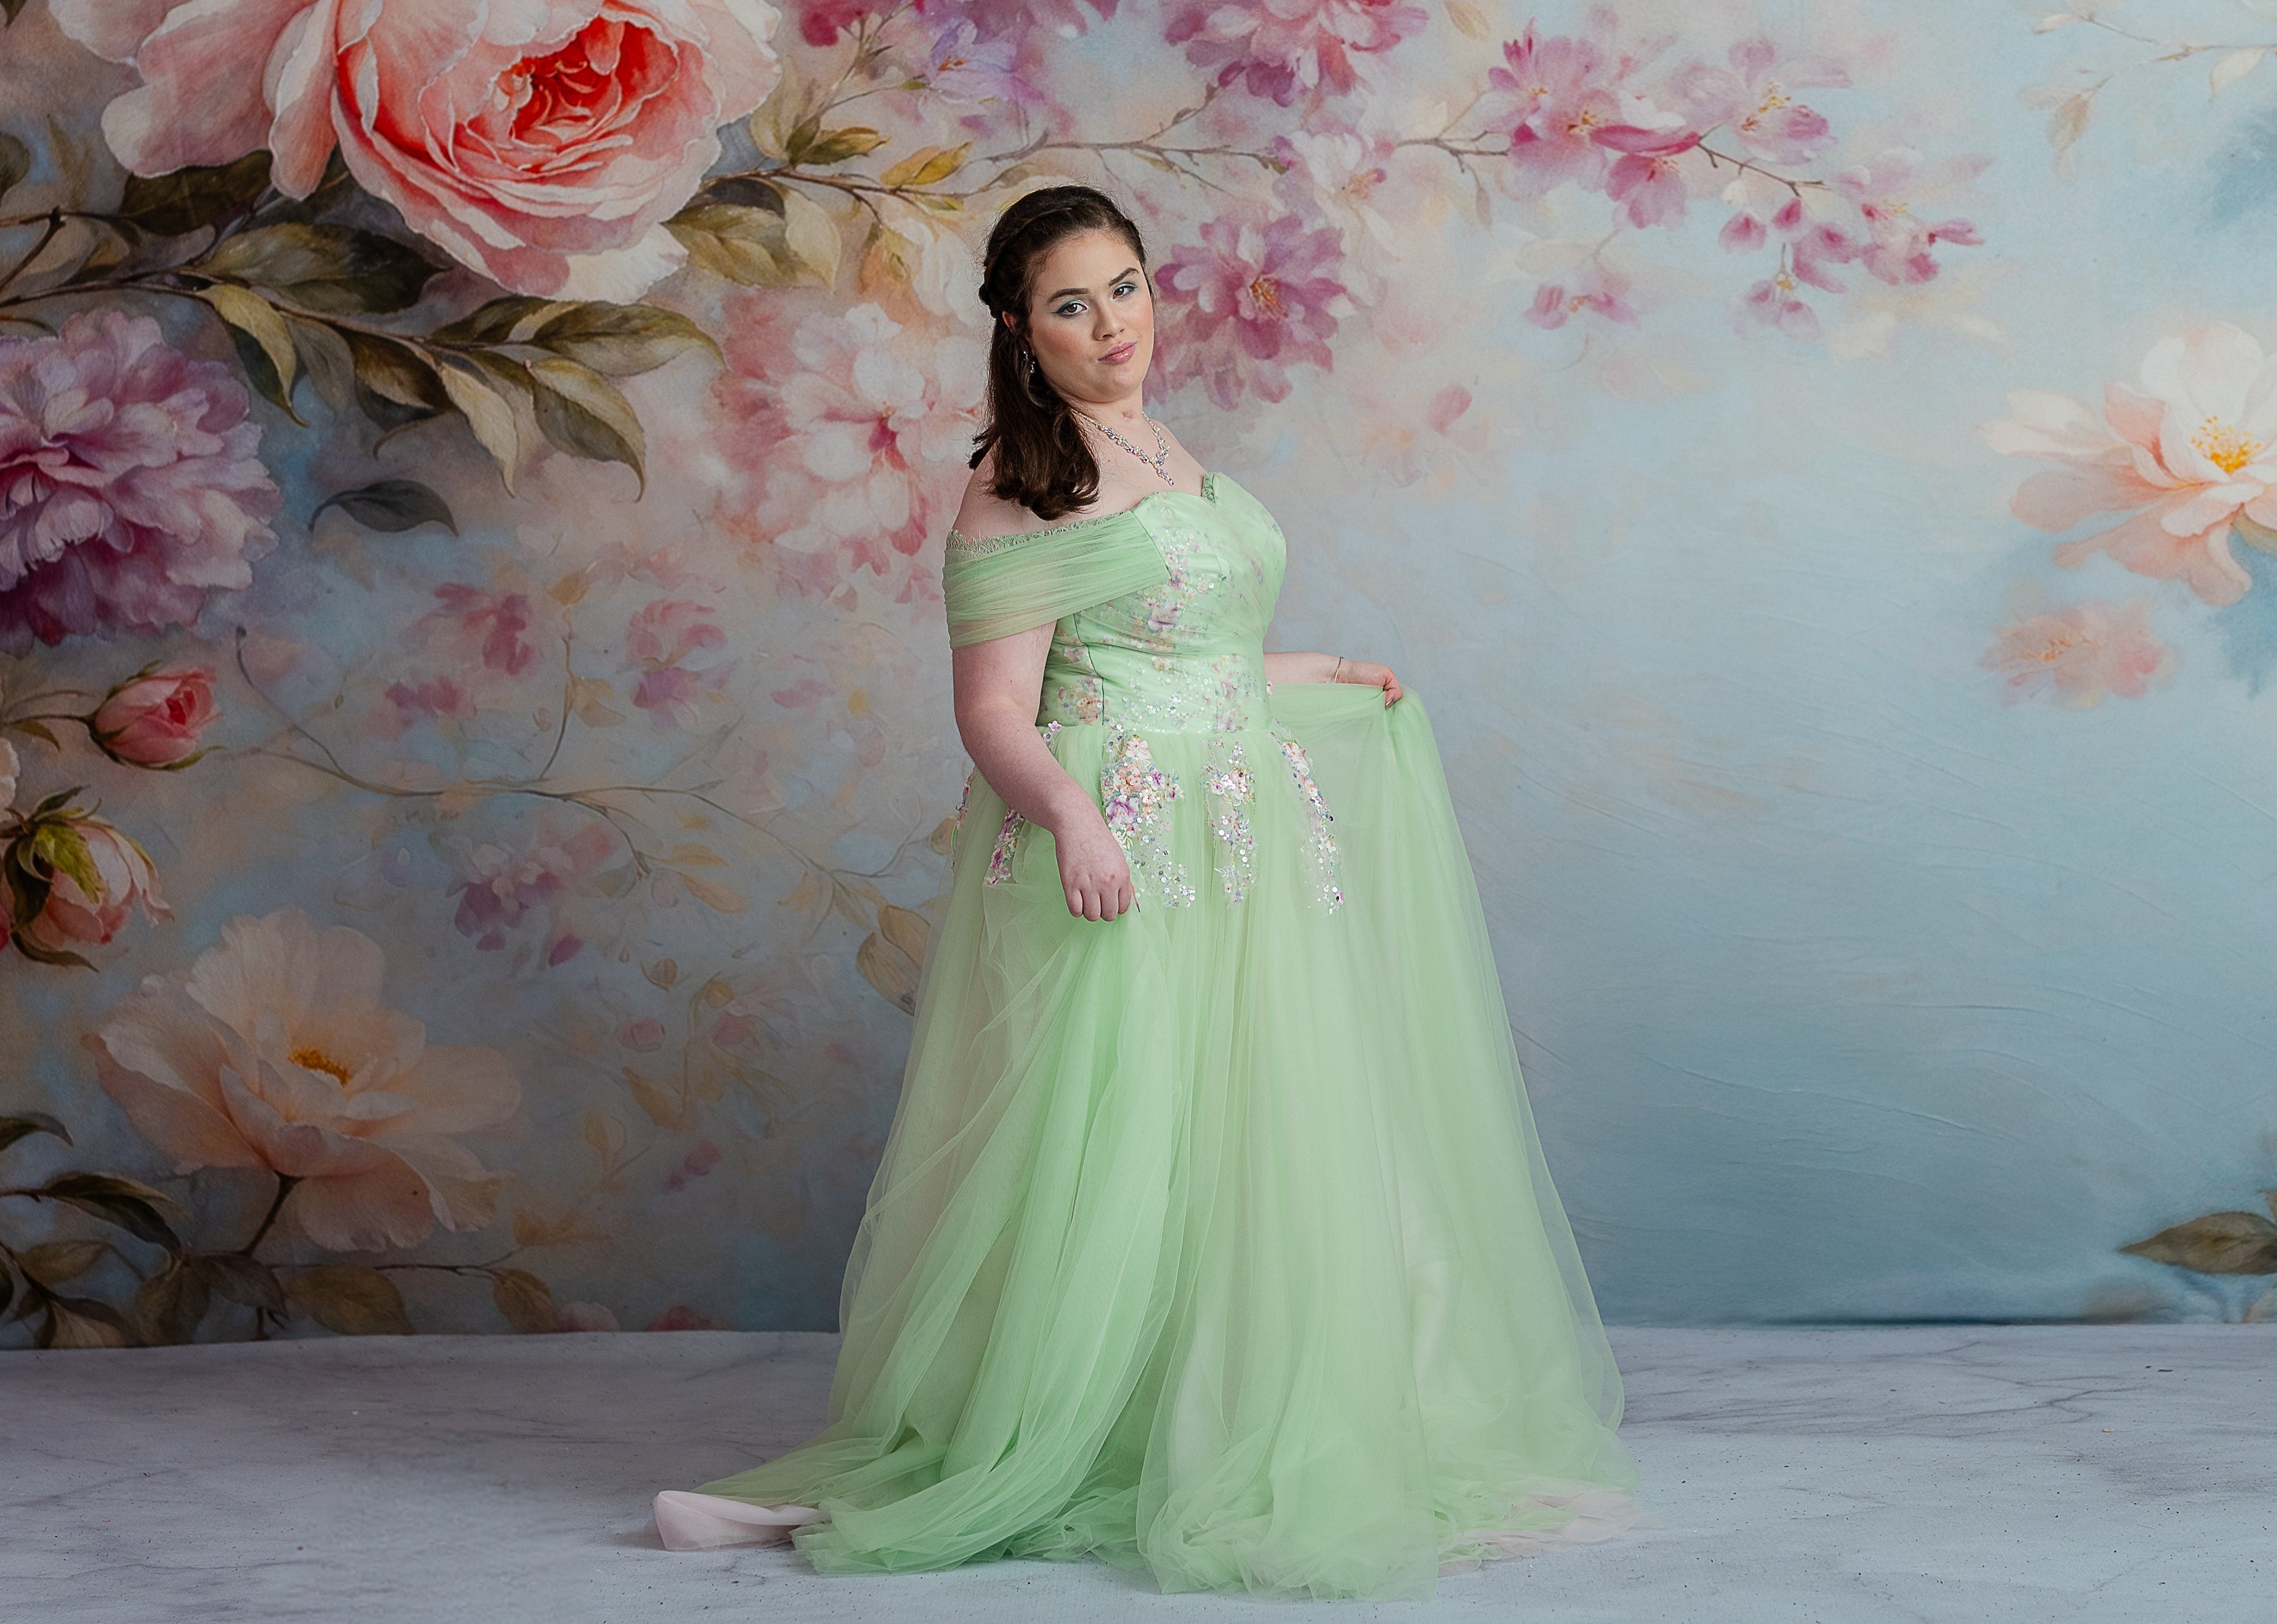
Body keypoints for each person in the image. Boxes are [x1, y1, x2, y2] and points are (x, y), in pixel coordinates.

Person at [652, 184, 1636, 1599]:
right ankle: (1046, 1431)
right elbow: (995, 705)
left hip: (1229, 829)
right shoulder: (1015, 484)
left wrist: (1316, 673)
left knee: (1243, 1130)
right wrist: (1067, 812)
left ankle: (1217, 1403)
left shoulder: (1164, 447)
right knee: (1114, 1140)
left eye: (1125, 286)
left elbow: (1189, 652)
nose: (1111, 323)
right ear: (1016, 326)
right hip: (1118, 834)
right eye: (1070, 301)